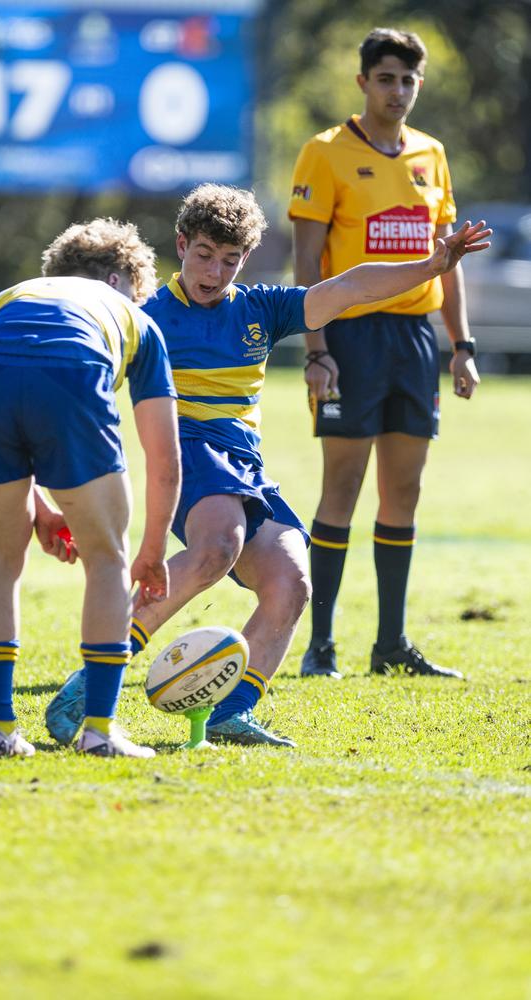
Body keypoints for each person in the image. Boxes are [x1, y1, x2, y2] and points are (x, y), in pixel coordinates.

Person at [45, 183, 490, 747]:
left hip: (243, 464)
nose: (214, 271)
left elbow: (349, 288)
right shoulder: (147, 315)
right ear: (181, 246)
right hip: (185, 454)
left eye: (229, 260)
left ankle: (232, 710)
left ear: (246, 259)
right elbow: (76, 379)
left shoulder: (259, 307)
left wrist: (431, 264)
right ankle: (91, 682)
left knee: (291, 581)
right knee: (216, 547)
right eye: (204, 254)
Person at [289, 27, 482, 680]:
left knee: (404, 489)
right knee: (341, 486)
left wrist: (461, 346)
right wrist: (316, 348)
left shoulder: (432, 153)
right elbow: (306, 260)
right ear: (363, 82)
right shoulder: (325, 153)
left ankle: (391, 645)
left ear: (418, 86)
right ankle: (320, 646)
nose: (397, 90)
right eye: (386, 78)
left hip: (414, 340)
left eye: (408, 80)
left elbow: (448, 261)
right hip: (350, 338)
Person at [0, 217, 181, 758]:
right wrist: (149, 554)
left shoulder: (8, 297)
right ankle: (99, 731)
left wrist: (39, 507)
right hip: (74, 370)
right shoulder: (131, 316)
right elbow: (165, 459)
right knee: (107, 560)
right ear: (119, 281)